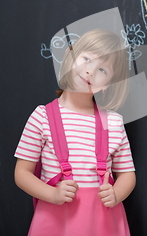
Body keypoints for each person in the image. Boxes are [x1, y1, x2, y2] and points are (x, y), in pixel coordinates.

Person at [14, 29, 135, 235]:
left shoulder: (114, 123)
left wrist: (116, 194)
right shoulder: (41, 117)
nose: (90, 71)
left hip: (103, 223)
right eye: (86, 59)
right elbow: (22, 174)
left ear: (107, 85)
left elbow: (127, 175)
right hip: (54, 220)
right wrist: (52, 194)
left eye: (102, 70)